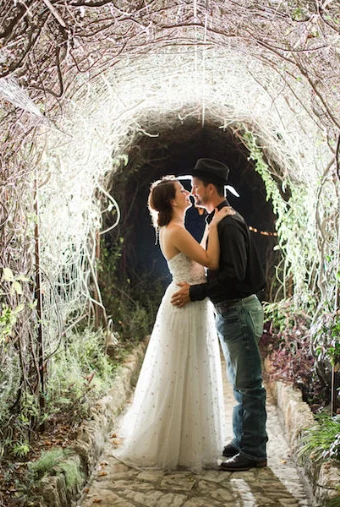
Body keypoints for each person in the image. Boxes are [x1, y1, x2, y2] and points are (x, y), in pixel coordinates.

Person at [113, 175, 233, 472]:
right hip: (185, 303)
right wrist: (216, 224)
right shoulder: (175, 230)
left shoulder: (176, 228)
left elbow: (198, 259)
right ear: (172, 200)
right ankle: (175, 444)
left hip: (188, 300)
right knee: (182, 370)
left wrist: (210, 225)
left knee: (187, 369)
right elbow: (210, 261)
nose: (188, 193)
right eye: (182, 191)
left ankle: (184, 441)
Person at [171, 158, 268, 472]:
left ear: (210, 187)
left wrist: (196, 293)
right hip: (231, 312)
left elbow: (234, 275)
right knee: (239, 381)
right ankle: (242, 441)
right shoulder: (218, 218)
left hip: (239, 309)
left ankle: (253, 451)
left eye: (196, 186)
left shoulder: (228, 222)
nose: (192, 191)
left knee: (249, 384)